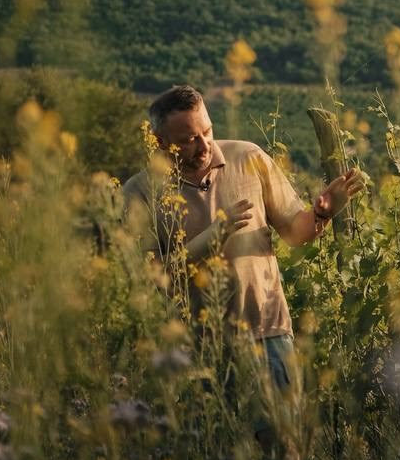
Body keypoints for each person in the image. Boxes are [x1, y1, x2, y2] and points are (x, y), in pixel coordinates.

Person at [122, 84, 364, 390]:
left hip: (269, 333)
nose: (204, 146)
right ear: (159, 141)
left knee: (282, 438)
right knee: (215, 438)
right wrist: (214, 236)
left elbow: (295, 232)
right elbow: (151, 277)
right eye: (187, 141)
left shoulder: (249, 157)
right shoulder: (139, 192)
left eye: (206, 132)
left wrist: (324, 213)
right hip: (196, 348)